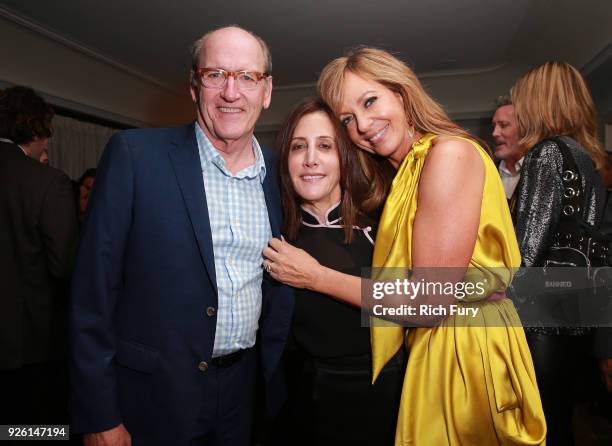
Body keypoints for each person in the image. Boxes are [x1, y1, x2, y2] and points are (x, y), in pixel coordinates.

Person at [264, 47, 546, 445]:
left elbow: (428, 303)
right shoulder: (404, 171)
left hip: (463, 347)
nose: (362, 124)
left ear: (401, 91)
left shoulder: (447, 153)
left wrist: (316, 276)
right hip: (437, 343)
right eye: (348, 118)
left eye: (370, 100)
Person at [70, 26, 293, 446]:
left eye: (247, 77)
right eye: (215, 75)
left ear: (266, 91)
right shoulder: (135, 156)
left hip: (246, 394)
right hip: (152, 396)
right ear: (194, 86)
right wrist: (98, 414)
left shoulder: (283, 176)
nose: (231, 92)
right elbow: (91, 295)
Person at [269, 98, 402, 445]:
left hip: (384, 398)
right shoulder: (272, 234)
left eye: (325, 146)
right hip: (299, 406)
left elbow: (423, 301)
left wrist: (315, 276)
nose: (311, 158)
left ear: (344, 158)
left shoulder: (385, 228)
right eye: (299, 147)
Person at [512, 61, 609, 445]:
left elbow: (527, 249)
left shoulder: (548, 153)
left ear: (538, 103)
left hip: (541, 317)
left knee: (537, 425)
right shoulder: (588, 158)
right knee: (559, 416)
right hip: (576, 311)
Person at [0, 86, 79, 424]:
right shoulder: (48, 182)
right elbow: (65, 264)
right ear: (37, 130)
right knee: (39, 429)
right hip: (30, 343)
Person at [492, 95, 524, 214]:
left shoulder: (541, 171)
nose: (494, 133)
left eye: (504, 125)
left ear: (525, 128)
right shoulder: (486, 172)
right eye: (494, 126)